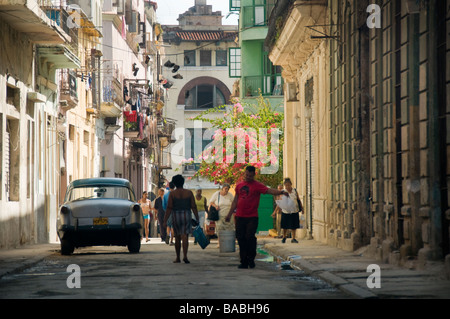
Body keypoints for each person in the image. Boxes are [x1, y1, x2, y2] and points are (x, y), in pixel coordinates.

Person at [225, 166, 288, 269]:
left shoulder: (257, 186)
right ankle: (244, 261)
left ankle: (251, 259)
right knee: (241, 238)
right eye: (246, 175)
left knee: (250, 237)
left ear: (254, 175)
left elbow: (269, 191)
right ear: (244, 174)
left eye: (250, 175)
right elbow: (235, 201)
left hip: (252, 217)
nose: (248, 177)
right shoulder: (239, 185)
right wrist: (229, 214)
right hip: (240, 216)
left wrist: (281, 192)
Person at [163, 175, 199, 264]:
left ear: (174, 183)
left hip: (176, 215)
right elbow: (193, 206)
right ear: (183, 182)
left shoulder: (172, 194)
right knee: (185, 236)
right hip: (186, 215)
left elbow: (169, 207)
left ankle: (178, 257)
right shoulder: (189, 193)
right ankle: (185, 256)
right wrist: (197, 217)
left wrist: (165, 220)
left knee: (177, 237)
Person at [280, 178, 302, 243]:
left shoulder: (294, 191)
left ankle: (293, 238)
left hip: (294, 210)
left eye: (288, 185)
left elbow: (298, 199)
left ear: (291, 185)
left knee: (294, 225)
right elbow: (280, 201)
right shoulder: (283, 191)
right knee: (284, 225)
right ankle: (284, 237)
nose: (287, 187)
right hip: (285, 211)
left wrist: (302, 208)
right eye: (286, 185)